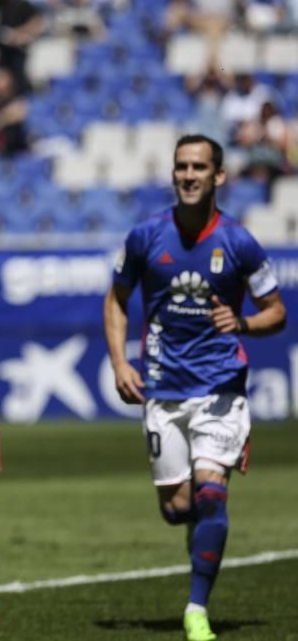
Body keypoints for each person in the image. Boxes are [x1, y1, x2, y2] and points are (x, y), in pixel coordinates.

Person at [103, 135, 286, 641]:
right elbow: (115, 301)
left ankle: (196, 608)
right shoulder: (145, 236)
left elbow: (276, 312)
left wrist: (244, 324)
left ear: (218, 176)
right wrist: (120, 361)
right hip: (163, 390)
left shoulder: (239, 241)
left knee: (211, 493)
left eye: (199, 167)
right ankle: (196, 528)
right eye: (181, 166)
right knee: (176, 508)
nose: (188, 174)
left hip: (220, 388)